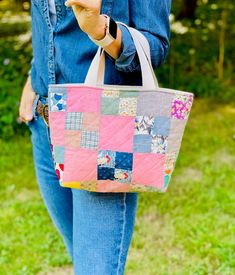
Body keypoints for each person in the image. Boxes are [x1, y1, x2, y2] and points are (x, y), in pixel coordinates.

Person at [19, 0, 171, 274]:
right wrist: (34, 76)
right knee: (83, 260)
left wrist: (101, 30)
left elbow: (155, 46)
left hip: (104, 133)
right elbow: (48, 23)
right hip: (45, 126)